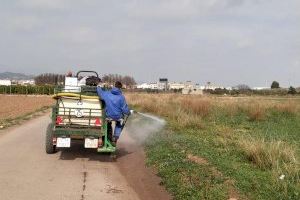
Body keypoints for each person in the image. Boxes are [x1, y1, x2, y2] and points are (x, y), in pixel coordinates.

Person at [96, 81, 130, 145]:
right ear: (120, 88)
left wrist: (98, 87)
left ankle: (103, 137)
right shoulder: (121, 97)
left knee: (107, 123)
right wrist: (128, 112)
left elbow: (100, 92)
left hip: (108, 115)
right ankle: (115, 138)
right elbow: (124, 109)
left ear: (114, 86)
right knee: (120, 123)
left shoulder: (106, 94)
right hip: (118, 116)